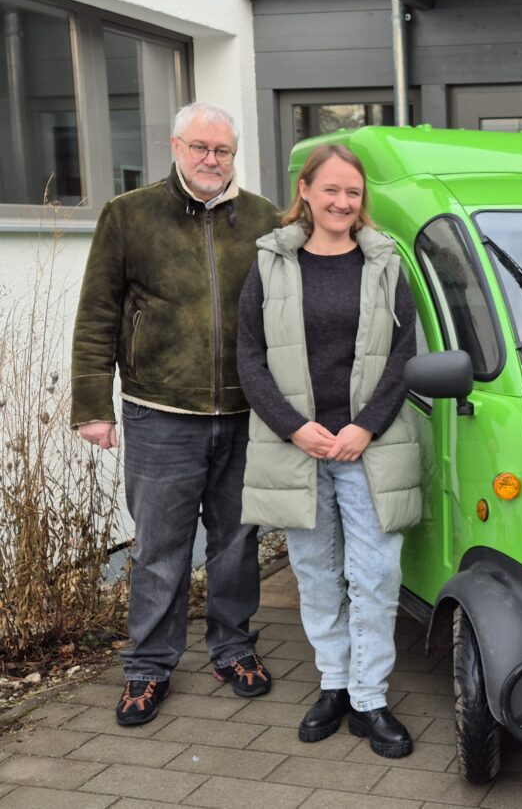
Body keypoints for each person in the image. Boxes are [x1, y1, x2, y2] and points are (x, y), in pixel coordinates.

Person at [71, 102, 281, 726]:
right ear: (176, 146)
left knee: (238, 543)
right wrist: (91, 404)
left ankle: (234, 647)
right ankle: (148, 667)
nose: (212, 161)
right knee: (161, 549)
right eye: (200, 148)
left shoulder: (264, 219)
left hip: (246, 413)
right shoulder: (128, 215)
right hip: (159, 413)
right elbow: (97, 314)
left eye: (223, 151)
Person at [237, 144, 420, 758]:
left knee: (376, 574)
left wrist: (366, 426)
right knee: (316, 574)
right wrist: (293, 426)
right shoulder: (271, 264)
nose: (344, 202)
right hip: (302, 449)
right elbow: (249, 357)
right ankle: (334, 684)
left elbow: (403, 356)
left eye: (354, 192)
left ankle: (370, 697)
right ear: (307, 191)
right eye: (332, 189)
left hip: (368, 446)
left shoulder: (386, 262)